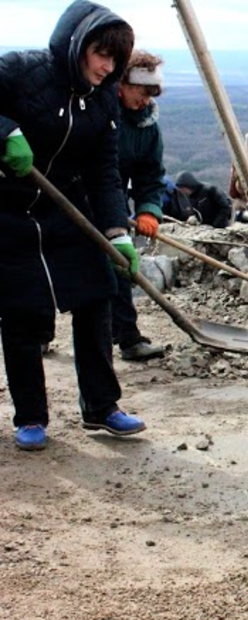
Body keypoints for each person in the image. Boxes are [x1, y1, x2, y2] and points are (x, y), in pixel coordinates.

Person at [0, 0, 147, 451]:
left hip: (66, 208)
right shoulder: (22, 71)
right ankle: (31, 416)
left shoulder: (102, 98)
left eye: (115, 60)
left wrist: (117, 233)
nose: (108, 68)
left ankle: (101, 406)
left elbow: (105, 171)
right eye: (102, 54)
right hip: (9, 210)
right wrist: (5, 131)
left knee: (97, 294)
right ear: (77, 45)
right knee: (23, 311)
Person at [114, 48, 167, 361]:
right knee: (56, 263)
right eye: (142, 92)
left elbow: (150, 174)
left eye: (151, 94)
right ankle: (39, 332)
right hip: (73, 195)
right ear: (122, 83)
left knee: (120, 264)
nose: (146, 100)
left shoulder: (147, 127)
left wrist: (148, 209)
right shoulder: (99, 112)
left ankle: (127, 338)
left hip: (113, 201)